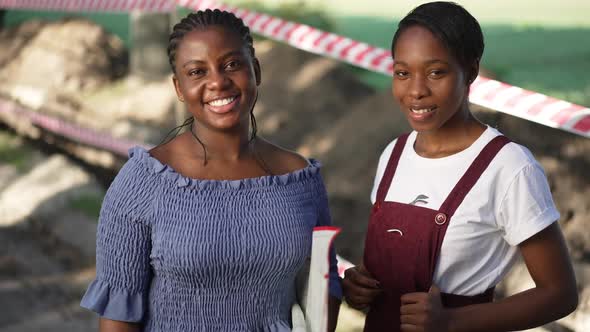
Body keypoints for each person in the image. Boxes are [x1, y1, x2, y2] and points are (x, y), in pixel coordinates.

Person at [80, 9, 341, 332]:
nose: (217, 81)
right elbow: (118, 318)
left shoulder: (300, 178)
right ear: (179, 88)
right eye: (197, 72)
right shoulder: (142, 183)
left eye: (232, 64)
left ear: (256, 71)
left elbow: (325, 288)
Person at [342, 2, 577, 331]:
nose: (416, 91)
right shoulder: (393, 155)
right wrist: (359, 287)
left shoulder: (508, 167)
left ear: (471, 70)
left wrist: (450, 321)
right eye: (402, 72)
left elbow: (560, 294)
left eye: (436, 72)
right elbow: (384, 266)